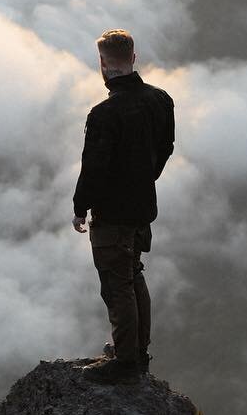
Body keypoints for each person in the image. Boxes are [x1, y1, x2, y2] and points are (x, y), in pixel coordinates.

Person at [71, 29, 174, 384]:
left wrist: (80, 206)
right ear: (133, 58)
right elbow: (165, 149)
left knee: (117, 283)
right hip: (142, 206)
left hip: (112, 213)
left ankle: (125, 361)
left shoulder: (104, 114)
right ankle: (138, 351)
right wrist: (145, 179)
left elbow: (94, 167)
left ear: (102, 63)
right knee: (134, 275)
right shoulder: (160, 100)